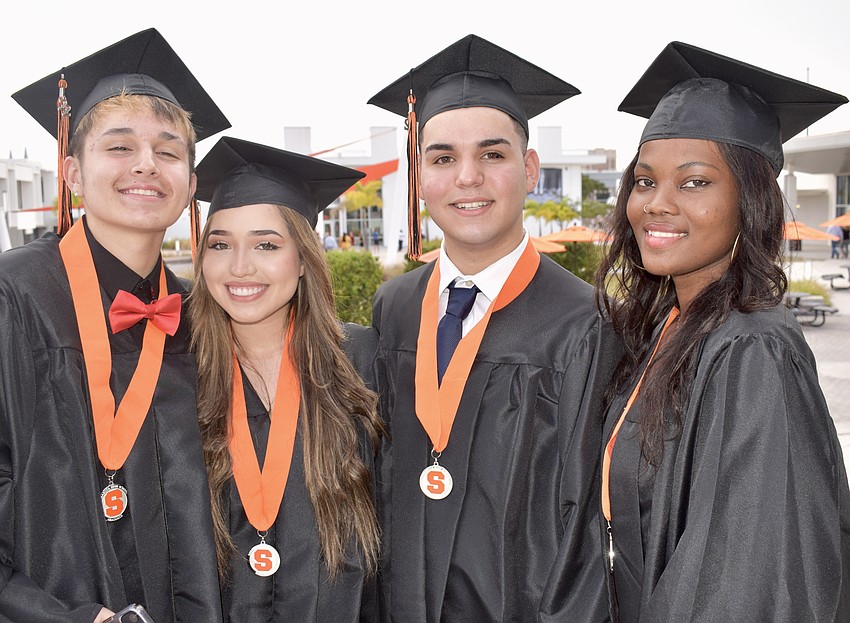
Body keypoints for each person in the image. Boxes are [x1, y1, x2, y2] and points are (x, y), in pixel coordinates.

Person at [364, 34, 621, 621]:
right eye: (443, 157)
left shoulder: (586, 324)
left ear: (529, 168)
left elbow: (585, 534)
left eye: (493, 154)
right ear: (420, 176)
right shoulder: (393, 308)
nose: (468, 178)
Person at [595, 41, 850, 622]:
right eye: (643, 182)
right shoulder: (669, 327)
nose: (655, 205)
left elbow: (747, 578)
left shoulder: (752, 348)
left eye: (694, 183)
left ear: (750, 202)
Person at [3, 29, 230, 622]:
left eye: (169, 150)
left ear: (191, 184)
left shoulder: (197, 318)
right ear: (73, 172)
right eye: (120, 147)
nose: (147, 166)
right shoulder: (13, 296)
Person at [189, 136, 385, 622]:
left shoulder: (364, 363)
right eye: (220, 244)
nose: (239, 267)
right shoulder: (177, 378)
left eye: (266, 244)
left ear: (303, 259)